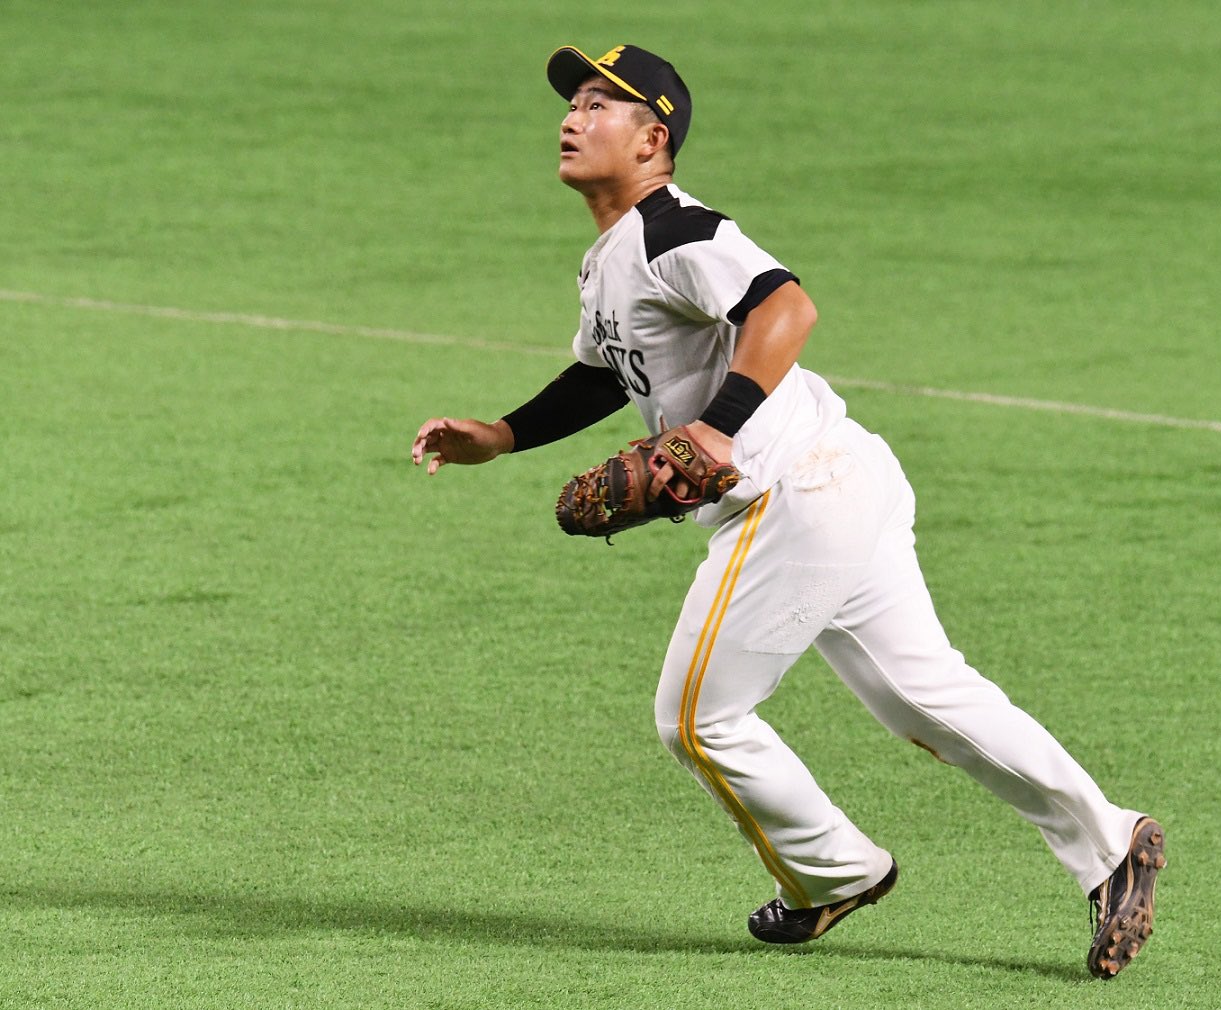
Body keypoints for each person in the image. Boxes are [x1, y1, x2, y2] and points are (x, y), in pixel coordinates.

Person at [411, 43, 1165, 978]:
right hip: (842, 477)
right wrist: (502, 434)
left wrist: (716, 427)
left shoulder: (675, 229)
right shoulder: (613, 255)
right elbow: (606, 372)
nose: (572, 118)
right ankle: (1110, 841)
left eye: (601, 105)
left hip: (795, 494)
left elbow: (786, 308)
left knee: (698, 718)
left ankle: (833, 872)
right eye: (573, 104)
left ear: (652, 139)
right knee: (926, 697)